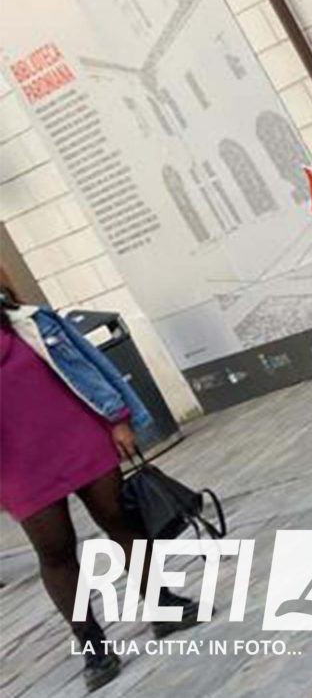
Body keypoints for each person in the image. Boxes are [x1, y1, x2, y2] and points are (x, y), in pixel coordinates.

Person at [2, 266, 202, 690]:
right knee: (55, 551)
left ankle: (163, 606)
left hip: (80, 436)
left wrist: (119, 419)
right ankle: (93, 646)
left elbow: (94, 367)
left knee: (120, 520)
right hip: (17, 467)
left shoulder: (31, 320)